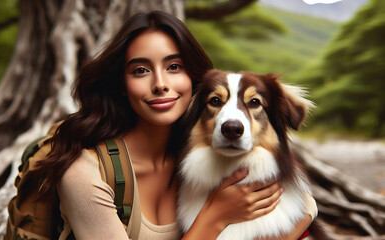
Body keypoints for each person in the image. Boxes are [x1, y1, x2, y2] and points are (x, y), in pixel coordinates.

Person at [36, 11, 316, 240]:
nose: (160, 84)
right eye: (141, 70)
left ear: (192, 80)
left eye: (174, 67)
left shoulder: (205, 160)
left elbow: (304, 205)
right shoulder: (85, 173)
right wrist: (215, 215)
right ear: (122, 84)